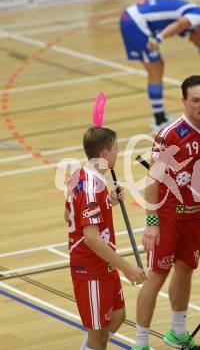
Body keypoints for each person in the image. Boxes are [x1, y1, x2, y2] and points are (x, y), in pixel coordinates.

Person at [132, 75, 200, 350]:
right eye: (196, 100)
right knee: (157, 275)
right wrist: (152, 223)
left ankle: (178, 332)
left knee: (186, 271)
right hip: (168, 216)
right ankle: (141, 343)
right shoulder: (171, 134)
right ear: (183, 102)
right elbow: (153, 181)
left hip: (195, 215)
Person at [64, 127, 145, 350]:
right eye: (116, 149)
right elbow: (91, 238)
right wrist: (127, 268)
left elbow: (68, 214)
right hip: (90, 269)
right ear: (105, 154)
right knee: (98, 334)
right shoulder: (90, 187)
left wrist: (109, 201)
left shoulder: (84, 177)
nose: (118, 153)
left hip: (103, 264)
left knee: (117, 316)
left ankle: (91, 344)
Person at [119, 0, 200, 131]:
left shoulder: (193, 19)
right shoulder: (198, 15)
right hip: (136, 22)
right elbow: (179, 25)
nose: (191, 42)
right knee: (156, 69)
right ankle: (158, 119)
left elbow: (173, 23)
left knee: (157, 67)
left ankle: (159, 115)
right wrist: (158, 39)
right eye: (196, 43)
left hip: (132, 19)